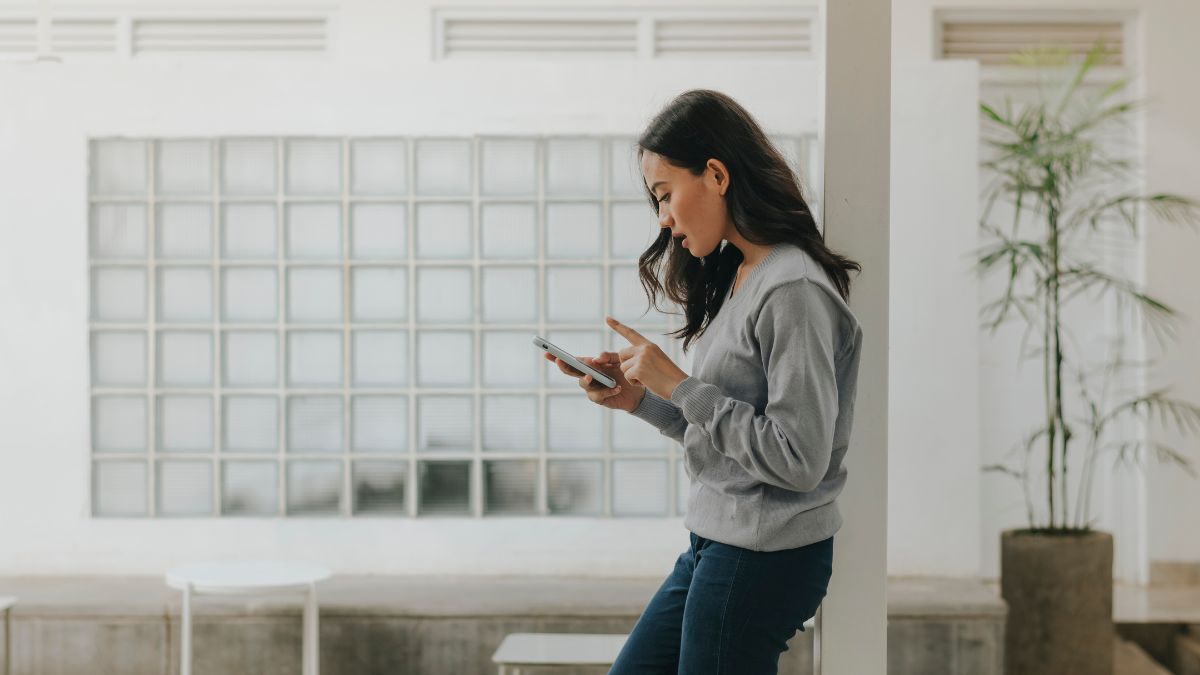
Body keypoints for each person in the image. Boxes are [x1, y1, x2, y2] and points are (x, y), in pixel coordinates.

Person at [544, 89, 865, 675]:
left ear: (716, 174)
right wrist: (641, 397)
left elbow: (797, 458)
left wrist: (680, 385)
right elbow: (731, 437)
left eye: (665, 195)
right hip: (716, 540)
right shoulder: (744, 275)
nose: (663, 218)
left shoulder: (792, 290)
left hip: (764, 552)